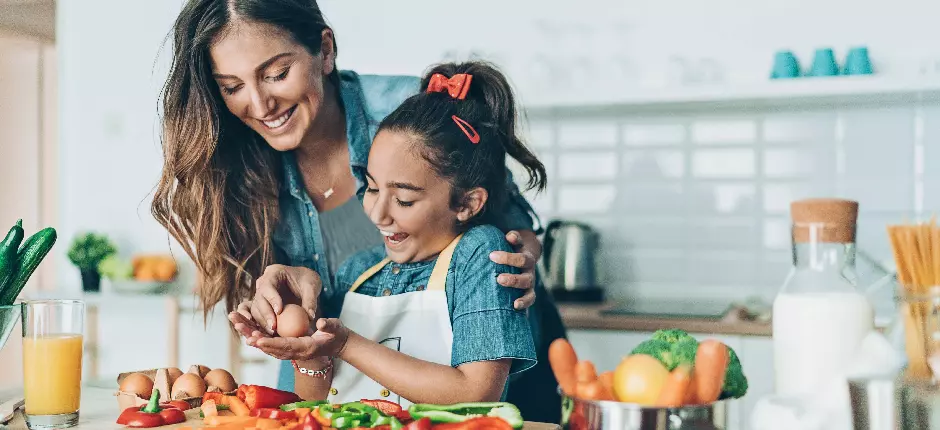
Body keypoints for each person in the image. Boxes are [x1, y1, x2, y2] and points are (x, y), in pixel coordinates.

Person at [152, 0, 567, 421]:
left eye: (277, 74)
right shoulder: (232, 156)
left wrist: (512, 265)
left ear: (325, 51)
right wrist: (286, 303)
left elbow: (510, 228)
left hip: (495, 382)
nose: (260, 105)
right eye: (232, 86)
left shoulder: (412, 115)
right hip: (348, 390)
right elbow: (317, 361)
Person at [232, 61, 544, 405]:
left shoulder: (478, 254)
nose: (378, 214)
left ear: (467, 204)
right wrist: (310, 351)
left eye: (404, 199)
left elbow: (476, 393)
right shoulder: (358, 270)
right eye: (371, 187)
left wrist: (348, 344)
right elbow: (314, 402)